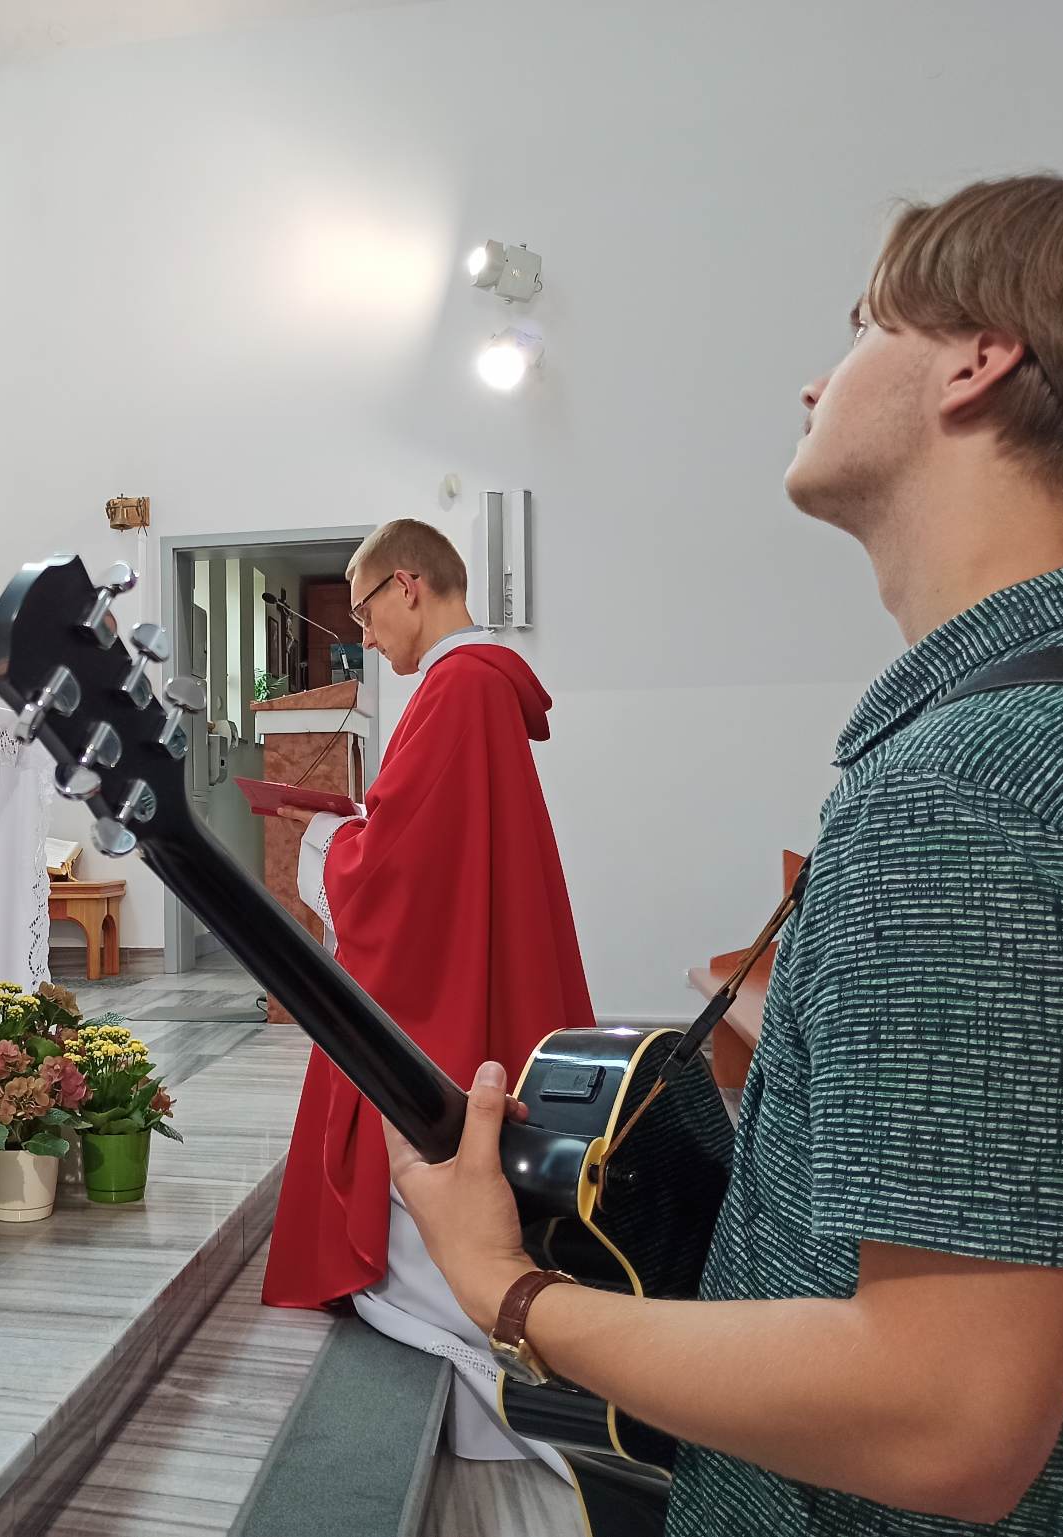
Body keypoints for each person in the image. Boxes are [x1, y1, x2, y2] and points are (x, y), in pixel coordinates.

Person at [387, 173, 1063, 1533]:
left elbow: (940, 1416)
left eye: (862, 327)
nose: (812, 383)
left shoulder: (981, 789)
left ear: (977, 358)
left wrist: (506, 1289)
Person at [260, 518, 598, 1462]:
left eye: (365, 613)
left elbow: (395, 873)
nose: (364, 637)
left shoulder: (457, 686)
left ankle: (489, 1341)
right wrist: (366, 826)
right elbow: (429, 843)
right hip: (473, 954)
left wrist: (327, 843)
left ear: (407, 585)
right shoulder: (478, 683)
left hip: (441, 988)